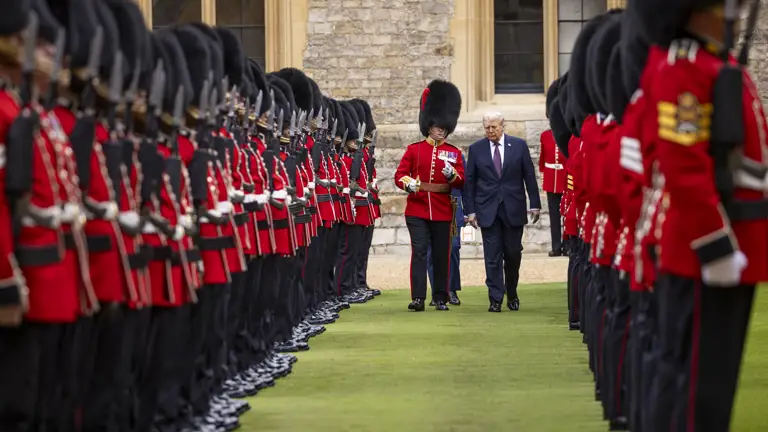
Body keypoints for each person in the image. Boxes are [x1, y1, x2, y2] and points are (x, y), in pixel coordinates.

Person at [394, 79, 464, 312]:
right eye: (436, 125)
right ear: (429, 124)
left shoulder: (453, 152)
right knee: (420, 252)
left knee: (442, 254)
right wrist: (410, 185)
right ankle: (418, 298)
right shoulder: (414, 149)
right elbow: (400, 175)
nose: (440, 129)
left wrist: (452, 175)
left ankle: (441, 297)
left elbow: (462, 180)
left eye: (443, 126)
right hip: (417, 208)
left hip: (443, 209)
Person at [464, 112, 541, 313]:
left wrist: (535, 203)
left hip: (513, 207)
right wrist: (470, 211)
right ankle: (495, 298)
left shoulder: (518, 145)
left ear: (503, 125)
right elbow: (470, 182)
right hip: (487, 209)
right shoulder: (476, 149)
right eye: (487, 127)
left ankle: (512, 291)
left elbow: (529, 175)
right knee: (492, 256)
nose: (490, 131)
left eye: (494, 127)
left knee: (513, 253)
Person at [427, 152, 465, 306]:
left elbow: (464, 183)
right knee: (431, 251)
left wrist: (469, 210)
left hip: (453, 205)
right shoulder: (423, 152)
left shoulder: (455, 154)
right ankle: (437, 291)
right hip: (431, 205)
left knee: (454, 248)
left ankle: (451, 289)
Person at [539, 125, 567, 257]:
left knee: (567, 216)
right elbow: (542, 158)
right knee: (554, 216)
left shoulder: (568, 134)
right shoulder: (545, 135)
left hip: (565, 178)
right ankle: (556, 246)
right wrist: (543, 177)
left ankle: (567, 246)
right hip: (551, 179)